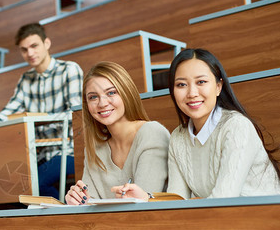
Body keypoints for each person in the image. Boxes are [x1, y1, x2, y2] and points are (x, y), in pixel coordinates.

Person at [114, 48, 280, 201]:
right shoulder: (178, 137)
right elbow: (178, 201)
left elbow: (223, 200)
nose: (192, 93)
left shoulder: (237, 126)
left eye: (201, 82)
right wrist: (145, 197)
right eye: (181, 85)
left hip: (262, 222)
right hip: (222, 223)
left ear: (218, 87)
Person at [0, 23, 83, 199]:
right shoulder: (26, 79)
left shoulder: (69, 70)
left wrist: (38, 119)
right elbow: (11, 109)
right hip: (38, 155)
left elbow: (76, 113)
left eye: (34, 46)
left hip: (68, 151)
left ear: (46, 43)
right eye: (24, 50)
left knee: (35, 184)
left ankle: (66, 214)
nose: (30, 53)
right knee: (12, 184)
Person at [65, 61, 170, 205]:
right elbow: (89, 207)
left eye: (111, 93)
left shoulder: (152, 134)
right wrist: (77, 201)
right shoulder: (95, 149)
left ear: (126, 92)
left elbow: (143, 206)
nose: (102, 103)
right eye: (93, 97)